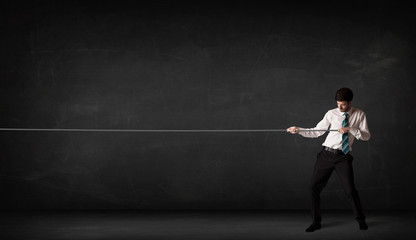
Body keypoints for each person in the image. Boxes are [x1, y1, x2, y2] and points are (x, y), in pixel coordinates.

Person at [287, 87, 370, 232]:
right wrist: (299, 130)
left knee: (350, 190)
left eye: (343, 104)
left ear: (350, 103)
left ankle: (361, 220)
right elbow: (317, 131)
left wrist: (351, 129)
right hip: (326, 155)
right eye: (338, 103)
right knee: (314, 188)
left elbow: (366, 136)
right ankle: (316, 222)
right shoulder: (331, 114)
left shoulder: (360, 114)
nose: (340, 107)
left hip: (343, 157)